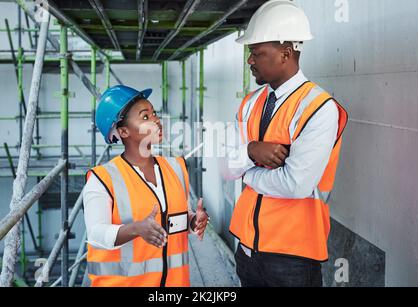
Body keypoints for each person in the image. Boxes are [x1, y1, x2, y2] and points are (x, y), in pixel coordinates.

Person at [221, 0, 348, 287]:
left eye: (256, 53)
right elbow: (224, 166)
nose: (250, 61)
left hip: (292, 258)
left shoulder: (318, 108)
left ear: (285, 53)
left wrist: (246, 172)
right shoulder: (250, 104)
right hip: (246, 249)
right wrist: (252, 151)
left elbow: (296, 185)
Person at [83, 85, 209, 287]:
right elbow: (96, 235)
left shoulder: (176, 167)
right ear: (123, 131)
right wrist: (135, 229)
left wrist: (193, 221)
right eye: (145, 117)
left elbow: (174, 219)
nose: (156, 120)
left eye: (154, 113)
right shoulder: (103, 178)